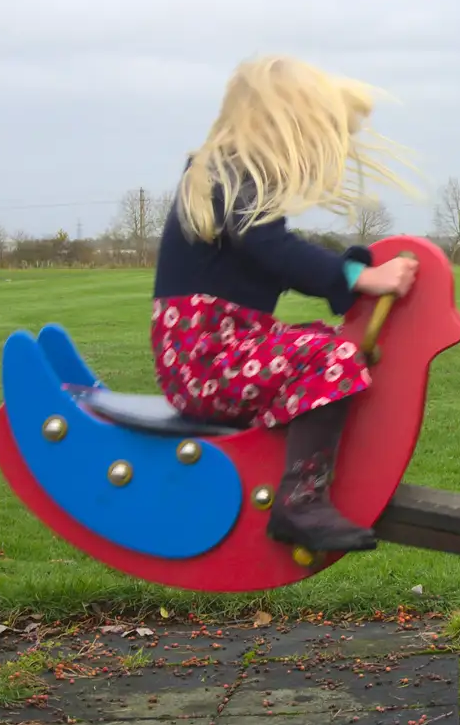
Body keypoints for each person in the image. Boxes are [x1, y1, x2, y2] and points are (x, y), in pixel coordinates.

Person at [150, 55, 420, 554]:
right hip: (206, 360)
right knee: (332, 359)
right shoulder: (227, 174)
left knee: (324, 344)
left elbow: (275, 255)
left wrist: (350, 273)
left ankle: (301, 475)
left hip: (211, 351)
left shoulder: (222, 176)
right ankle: (301, 501)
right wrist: (362, 276)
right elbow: (273, 249)